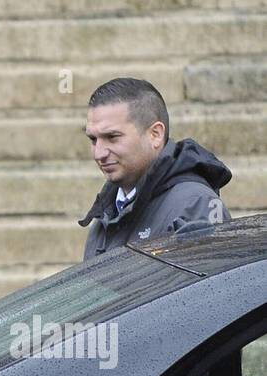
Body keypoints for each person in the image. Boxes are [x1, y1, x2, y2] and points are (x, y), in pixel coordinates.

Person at [80, 78, 232, 260]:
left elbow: (210, 287)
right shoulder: (106, 213)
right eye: (93, 140)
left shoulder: (195, 206)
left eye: (112, 137)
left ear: (155, 135)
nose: (99, 153)